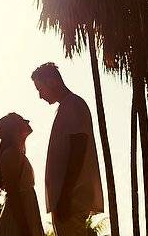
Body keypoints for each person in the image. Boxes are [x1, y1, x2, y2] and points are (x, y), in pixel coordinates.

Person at [32, 62, 103, 236]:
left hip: (71, 200)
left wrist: (65, 195)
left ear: (52, 82)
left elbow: (78, 151)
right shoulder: (66, 107)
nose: (40, 96)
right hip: (66, 199)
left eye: (40, 89)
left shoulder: (73, 106)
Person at [0, 112, 45, 236]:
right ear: (15, 129)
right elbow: (13, 194)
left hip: (26, 216)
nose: (27, 122)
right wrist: (24, 228)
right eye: (22, 120)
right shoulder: (11, 155)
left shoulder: (18, 154)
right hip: (18, 221)